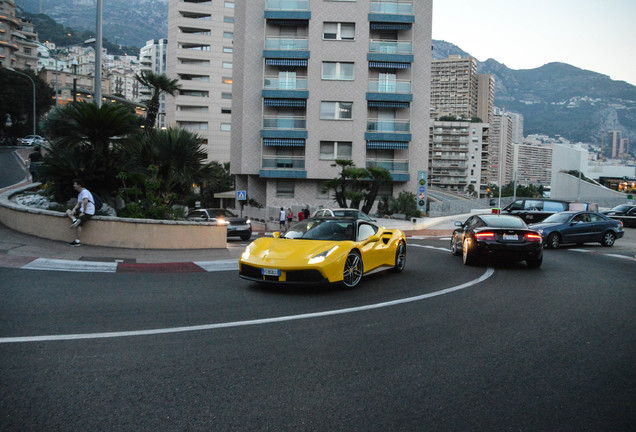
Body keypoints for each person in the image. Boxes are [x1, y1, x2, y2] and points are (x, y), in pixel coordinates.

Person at [65, 178, 95, 247]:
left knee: (79, 225)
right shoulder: (80, 194)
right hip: (82, 210)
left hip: (88, 212)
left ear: (79, 185)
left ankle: (77, 241)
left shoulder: (84, 192)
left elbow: (85, 202)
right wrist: (74, 209)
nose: (73, 186)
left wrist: (84, 212)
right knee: (68, 211)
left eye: (75, 184)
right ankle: (74, 220)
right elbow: (78, 204)